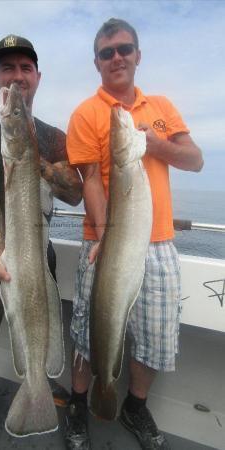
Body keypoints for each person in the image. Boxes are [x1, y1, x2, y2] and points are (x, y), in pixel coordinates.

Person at [65, 18, 203, 450]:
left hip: (158, 242)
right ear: (97, 63)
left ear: (138, 55)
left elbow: (195, 160)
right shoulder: (87, 114)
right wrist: (103, 231)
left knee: (157, 334)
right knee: (92, 331)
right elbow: (89, 178)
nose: (117, 58)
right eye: (107, 53)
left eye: (124, 49)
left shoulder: (161, 106)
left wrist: (155, 145)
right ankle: (79, 402)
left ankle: (135, 406)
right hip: (104, 239)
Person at [0, 34, 82, 450]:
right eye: (8, 68)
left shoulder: (53, 135)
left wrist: (29, 152)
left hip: (37, 257)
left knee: (40, 330)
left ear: (38, 76)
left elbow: (74, 192)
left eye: (26, 68)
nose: (18, 76)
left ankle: (38, 386)